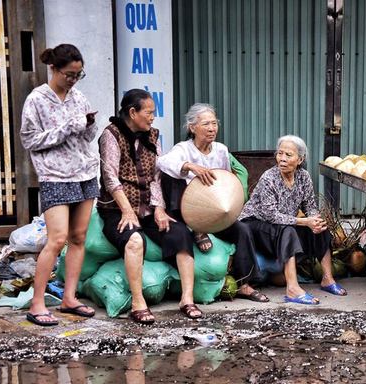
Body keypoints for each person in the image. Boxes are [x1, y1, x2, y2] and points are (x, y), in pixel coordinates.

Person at [97, 89, 202, 324]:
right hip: (117, 210)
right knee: (135, 241)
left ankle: (187, 298)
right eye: (149, 112)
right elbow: (110, 177)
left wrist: (159, 208)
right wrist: (126, 210)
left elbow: (156, 177)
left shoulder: (153, 136)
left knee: (181, 233)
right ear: (133, 112)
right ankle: (137, 302)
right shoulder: (110, 135)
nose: (153, 117)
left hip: (147, 208)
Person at [157, 103, 269, 302]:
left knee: (242, 230)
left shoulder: (221, 150)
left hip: (215, 212)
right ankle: (196, 228)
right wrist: (189, 167)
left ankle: (244, 284)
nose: (212, 128)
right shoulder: (183, 149)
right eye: (206, 124)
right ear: (192, 127)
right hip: (189, 212)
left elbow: (225, 180)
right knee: (173, 179)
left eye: (214, 123)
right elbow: (162, 163)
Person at [20, 44, 98, 326]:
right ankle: (37, 302)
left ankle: (69, 297)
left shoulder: (79, 97)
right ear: (53, 69)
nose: (74, 80)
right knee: (57, 239)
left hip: (85, 172)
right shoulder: (37, 100)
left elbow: (87, 138)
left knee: (79, 238)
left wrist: (88, 125)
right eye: (69, 74)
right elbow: (30, 140)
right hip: (55, 175)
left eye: (79, 74)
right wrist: (69, 127)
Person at [239, 135, 346, 305]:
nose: (282, 159)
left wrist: (315, 221)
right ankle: (292, 289)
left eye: (288, 155)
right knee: (288, 231)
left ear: (300, 159)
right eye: (279, 153)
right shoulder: (269, 178)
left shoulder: (303, 177)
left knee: (321, 229)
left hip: (282, 223)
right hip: (255, 223)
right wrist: (305, 222)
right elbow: (271, 215)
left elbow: (309, 205)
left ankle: (327, 279)